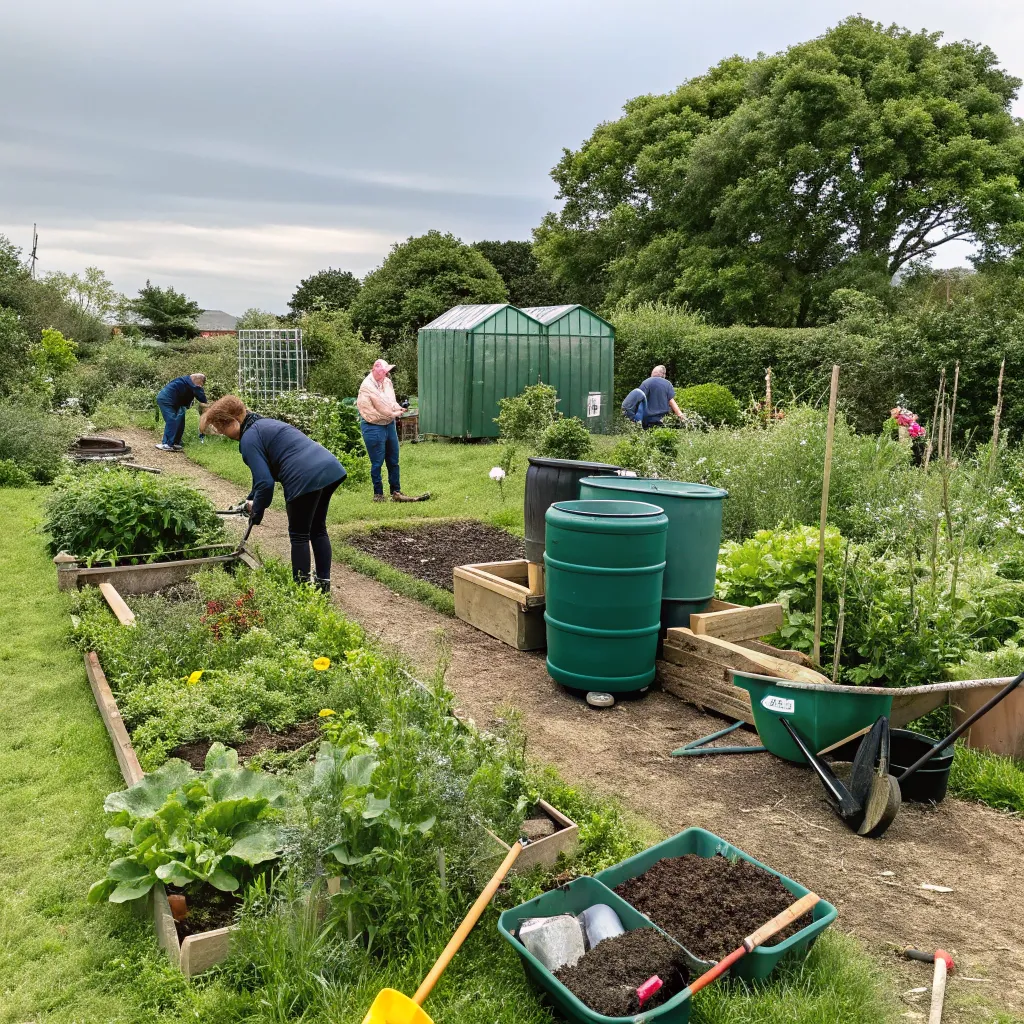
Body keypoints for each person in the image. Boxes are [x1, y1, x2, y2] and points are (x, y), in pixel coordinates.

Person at [199, 395, 346, 592]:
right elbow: (261, 477)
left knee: (299, 534)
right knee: (317, 529)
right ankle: (323, 587)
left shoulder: (248, 438)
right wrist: (251, 497)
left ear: (234, 420)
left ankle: (302, 592)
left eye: (222, 428)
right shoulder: (263, 424)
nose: (222, 433)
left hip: (302, 476)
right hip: (329, 468)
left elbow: (266, 484)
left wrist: (256, 512)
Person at [356, 358, 419, 502]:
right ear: (374, 370)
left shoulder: (387, 382)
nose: (384, 375)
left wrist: (399, 408)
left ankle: (396, 492)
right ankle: (378, 494)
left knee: (393, 459)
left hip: (388, 424)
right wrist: (393, 413)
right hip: (373, 425)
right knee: (377, 461)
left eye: (386, 372)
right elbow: (375, 410)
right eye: (382, 372)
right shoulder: (366, 386)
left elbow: (390, 401)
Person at [156, 373, 208, 451]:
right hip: (165, 399)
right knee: (172, 420)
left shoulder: (189, 383)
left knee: (180, 421)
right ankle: (167, 444)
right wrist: (199, 389)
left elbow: (197, 396)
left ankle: (176, 443)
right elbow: (202, 398)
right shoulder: (189, 383)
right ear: (198, 379)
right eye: (201, 383)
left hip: (176, 402)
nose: (201, 385)